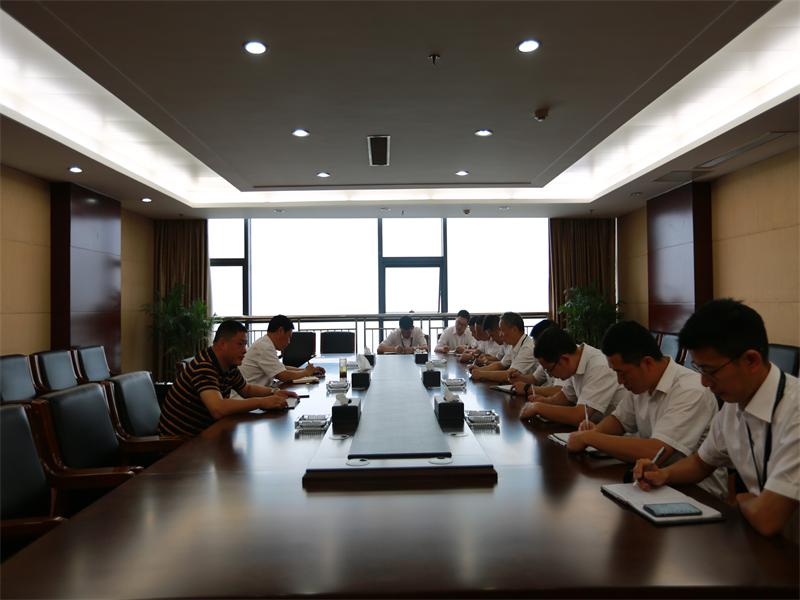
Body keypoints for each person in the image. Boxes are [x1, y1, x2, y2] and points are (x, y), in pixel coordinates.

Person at [633, 300, 798, 537]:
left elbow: (768, 518)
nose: (704, 382)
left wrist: (740, 499)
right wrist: (663, 474)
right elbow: (702, 463)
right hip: (765, 542)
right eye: (699, 369)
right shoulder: (733, 403)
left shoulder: (794, 411)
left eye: (710, 371)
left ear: (751, 360)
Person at [566, 321, 726, 498]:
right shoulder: (641, 383)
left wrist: (590, 438)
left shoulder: (691, 390)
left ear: (647, 363)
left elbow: (654, 451)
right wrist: (594, 432)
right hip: (654, 481)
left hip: (697, 493)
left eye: (622, 373)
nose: (619, 381)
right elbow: (619, 420)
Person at [158, 320, 299, 438]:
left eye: (245, 344)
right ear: (222, 344)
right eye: (240, 344)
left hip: (206, 434)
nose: (245, 350)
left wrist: (274, 392)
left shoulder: (228, 364)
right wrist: (262, 402)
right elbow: (217, 409)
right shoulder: (204, 366)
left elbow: (246, 389)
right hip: (179, 443)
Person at [520, 326, 630, 425]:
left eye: (549, 370)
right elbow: (565, 397)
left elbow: (580, 416)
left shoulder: (599, 366)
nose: (551, 375)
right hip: (597, 428)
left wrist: (538, 407)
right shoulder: (576, 361)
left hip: (620, 433)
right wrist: (544, 401)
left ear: (564, 359)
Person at [237, 315, 325, 388]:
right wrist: (305, 373)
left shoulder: (265, 343)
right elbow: (283, 375)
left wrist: (308, 370)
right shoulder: (265, 347)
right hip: (247, 398)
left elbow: (281, 368)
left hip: (255, 392)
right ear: (281, 331)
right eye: (289, 337)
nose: (289, 342)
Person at [470, 312, 536, 382]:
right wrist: (478, 370)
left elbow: (510, 375)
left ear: (514, 330)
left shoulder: (527, 347)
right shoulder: (514, 344)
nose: (500, 334)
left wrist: (481, 374)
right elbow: (500, 364)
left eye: (502, 330)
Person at [509, 319, 562, 396]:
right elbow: (535, 378)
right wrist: (520, 377)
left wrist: (529, 389)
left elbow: (560, 391)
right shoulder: (545, 355)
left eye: (538, 345)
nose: (536, 349)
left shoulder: (562, 355)